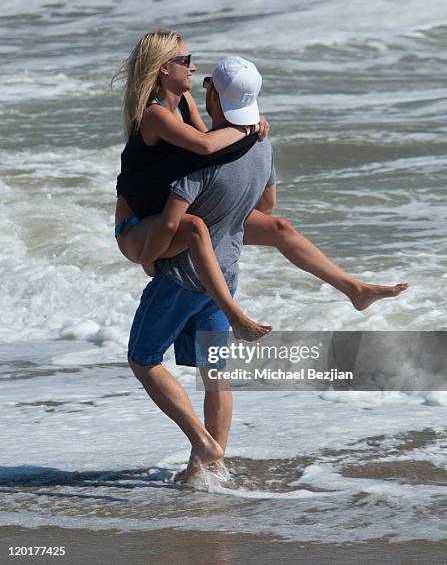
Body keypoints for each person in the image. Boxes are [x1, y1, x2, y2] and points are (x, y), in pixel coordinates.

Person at [125, 56, 407, 483]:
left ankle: (203, 444)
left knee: (143, 358)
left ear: (214, 95)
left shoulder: (197, 162)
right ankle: (211, 469)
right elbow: (268, 209)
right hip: (227, 271)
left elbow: (170, 221)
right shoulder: (262, 144)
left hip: (182, 278)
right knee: (215, 373)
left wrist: (151, 257)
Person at [114, 31, 408, 344]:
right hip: (138, 226)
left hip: (168, 211)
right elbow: (203, 146)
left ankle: (354, 289)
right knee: (195, 227)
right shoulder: (154, 114)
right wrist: (246, 126)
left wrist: (251, 126)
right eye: (186, 60)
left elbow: (212, 147)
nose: (194, 67)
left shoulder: (184, 101)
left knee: (279, 227)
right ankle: (234, 314)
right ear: (163, 68)